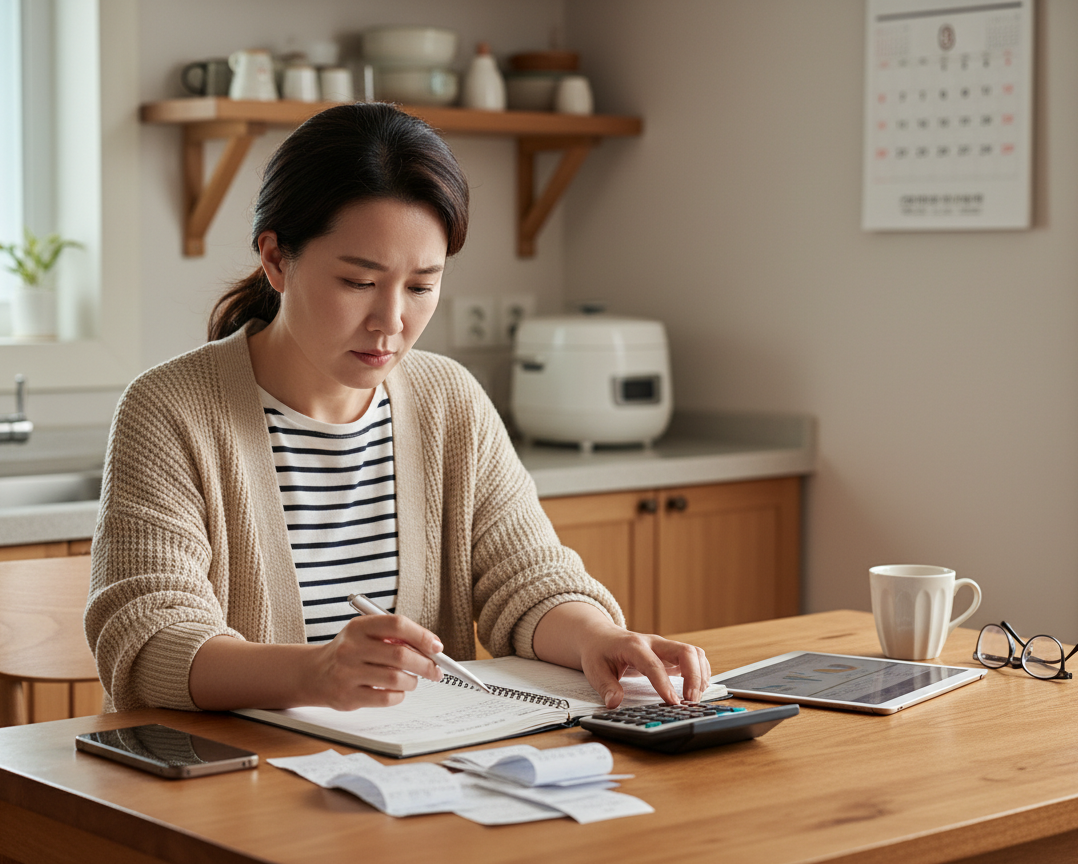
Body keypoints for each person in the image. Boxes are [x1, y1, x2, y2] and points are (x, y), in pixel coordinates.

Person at [85, 102, 710, 715]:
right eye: (359, 282)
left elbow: (528, 581)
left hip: (419, 772)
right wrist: (314, 674)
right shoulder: (169, 412)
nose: (391, 321)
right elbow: (149, 640)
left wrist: (598, 638)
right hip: (238, 773)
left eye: (420, 286)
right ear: (275, 258)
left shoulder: (450, 401)